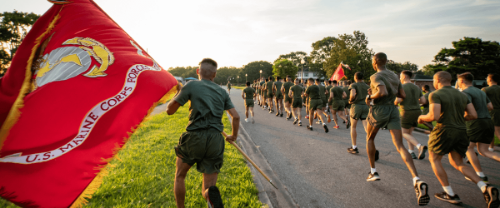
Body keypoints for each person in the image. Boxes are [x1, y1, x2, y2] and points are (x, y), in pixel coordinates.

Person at [166, 58, 240, 208]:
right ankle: (209, 195)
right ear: (215, 74)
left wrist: (179, 93)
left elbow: (170, 111)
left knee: (180, 176)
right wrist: (233, 136)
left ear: (198, 71)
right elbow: (236, 116)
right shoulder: (222, 91)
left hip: (194, 137)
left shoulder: (191, 85)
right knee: (208, 188)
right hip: (215, 140)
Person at [418, 71, 499, 207]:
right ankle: (485, 188)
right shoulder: (462, 95)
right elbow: (473, 114)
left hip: (443, 130)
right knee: (458, 162)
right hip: (462, 131)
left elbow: (434, 116)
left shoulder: (435, 94)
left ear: (438, 80)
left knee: (434, 159)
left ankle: (450, 194)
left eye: (434, 80)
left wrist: (421, 118)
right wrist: (460, 119)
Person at [365, 53, 429, 206]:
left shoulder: (375, 76)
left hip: (379, 110)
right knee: (400, 146)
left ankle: (373, 171)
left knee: (370, 139)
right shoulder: (394, 76)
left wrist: (370, 98)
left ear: (374, 62)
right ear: (386, 61)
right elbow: (402, 94)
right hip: (393, 111)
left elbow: (382, 92)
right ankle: (417, 179)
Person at [457, 72, 500, 184]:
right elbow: (490, 107)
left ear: (461, 81)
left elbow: (466, 110)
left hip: (476, 123)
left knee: (468, 148)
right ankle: (479, 174)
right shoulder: (480, 91)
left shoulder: (465, 92)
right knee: (483, 150)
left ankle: (479, 174)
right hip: (488, 121)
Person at [394, 70, 428, 160]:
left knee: (404, 133)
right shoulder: (417, 87)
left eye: (400, 76)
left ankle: (419, 146)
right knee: (409, 133)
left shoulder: (401, 87)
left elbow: (398, 101)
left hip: (406, 112)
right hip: (417, 111)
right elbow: (423, 101)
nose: (400, 78)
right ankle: (411, 152)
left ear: (404, 76)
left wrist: (394, 101)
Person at [347, 72, 369, 154]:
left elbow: (352, 94)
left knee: (353, 127)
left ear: (355, 77)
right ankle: (371, 146)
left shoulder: (353, 85)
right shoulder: (367, 86)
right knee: (367, 129)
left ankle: (354, 147)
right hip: (366, 106)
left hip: (356, 106)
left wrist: (350, 100)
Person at [482, 73, 500, 152]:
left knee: (496, 130)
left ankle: (491, 147)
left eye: (487, 78)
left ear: (490, 80)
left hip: (492, 111)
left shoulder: (485, 89)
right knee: (492, 129)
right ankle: (491, 146)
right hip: (498, 111)